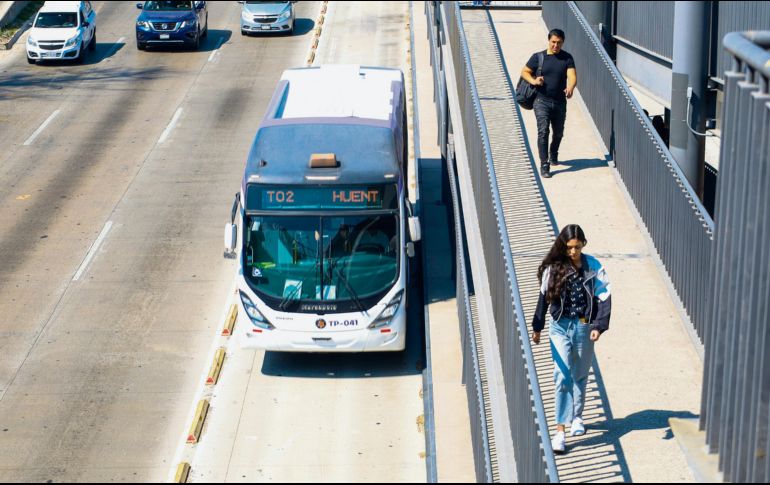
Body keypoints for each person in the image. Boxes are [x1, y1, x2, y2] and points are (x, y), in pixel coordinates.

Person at [531, 224, 611, 453]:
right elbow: (543, 299)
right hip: (559, 328)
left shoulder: (593, 267)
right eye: (569, 248)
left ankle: (577, 416)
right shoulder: (553, 269)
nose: (573, 252)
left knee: (580, 374)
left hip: (584, 327)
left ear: (583, 244)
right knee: (562, 375)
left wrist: (599, 326)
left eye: (577, 247)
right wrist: (537, 327)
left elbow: (604, 296)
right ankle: (560, 431)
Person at [520, 29, 577, 178]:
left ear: (563, 42)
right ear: (549, 41)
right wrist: (534, 80)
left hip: (559, 102)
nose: (555, 45)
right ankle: (544, 164)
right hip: (541, 100)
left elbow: (572, 75)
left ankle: (554, 152)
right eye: (553, 42)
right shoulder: (538, 57)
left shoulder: (567, 58)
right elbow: (524, 71)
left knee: (558, 133)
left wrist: (570, 87)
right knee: (543, 131)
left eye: (559, 43)